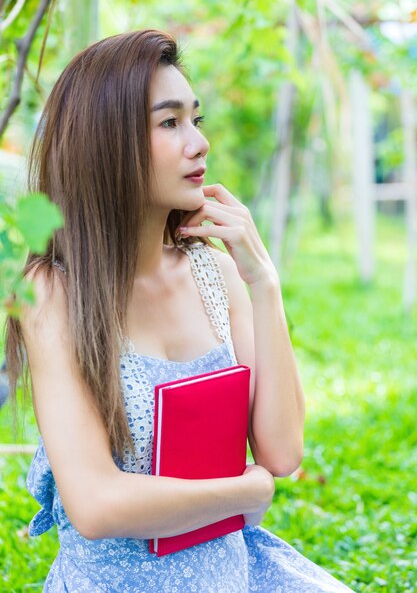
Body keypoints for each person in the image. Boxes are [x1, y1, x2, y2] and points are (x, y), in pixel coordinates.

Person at [5, 30, 353, 592]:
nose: (199, 143)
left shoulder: (212, 272)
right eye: (170, 123)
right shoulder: (50, 291)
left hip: (231, 572)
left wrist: (264, 283)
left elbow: (281, 452)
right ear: (107, 143)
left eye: (197, 119)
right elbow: (95, 503)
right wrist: (245, 493)